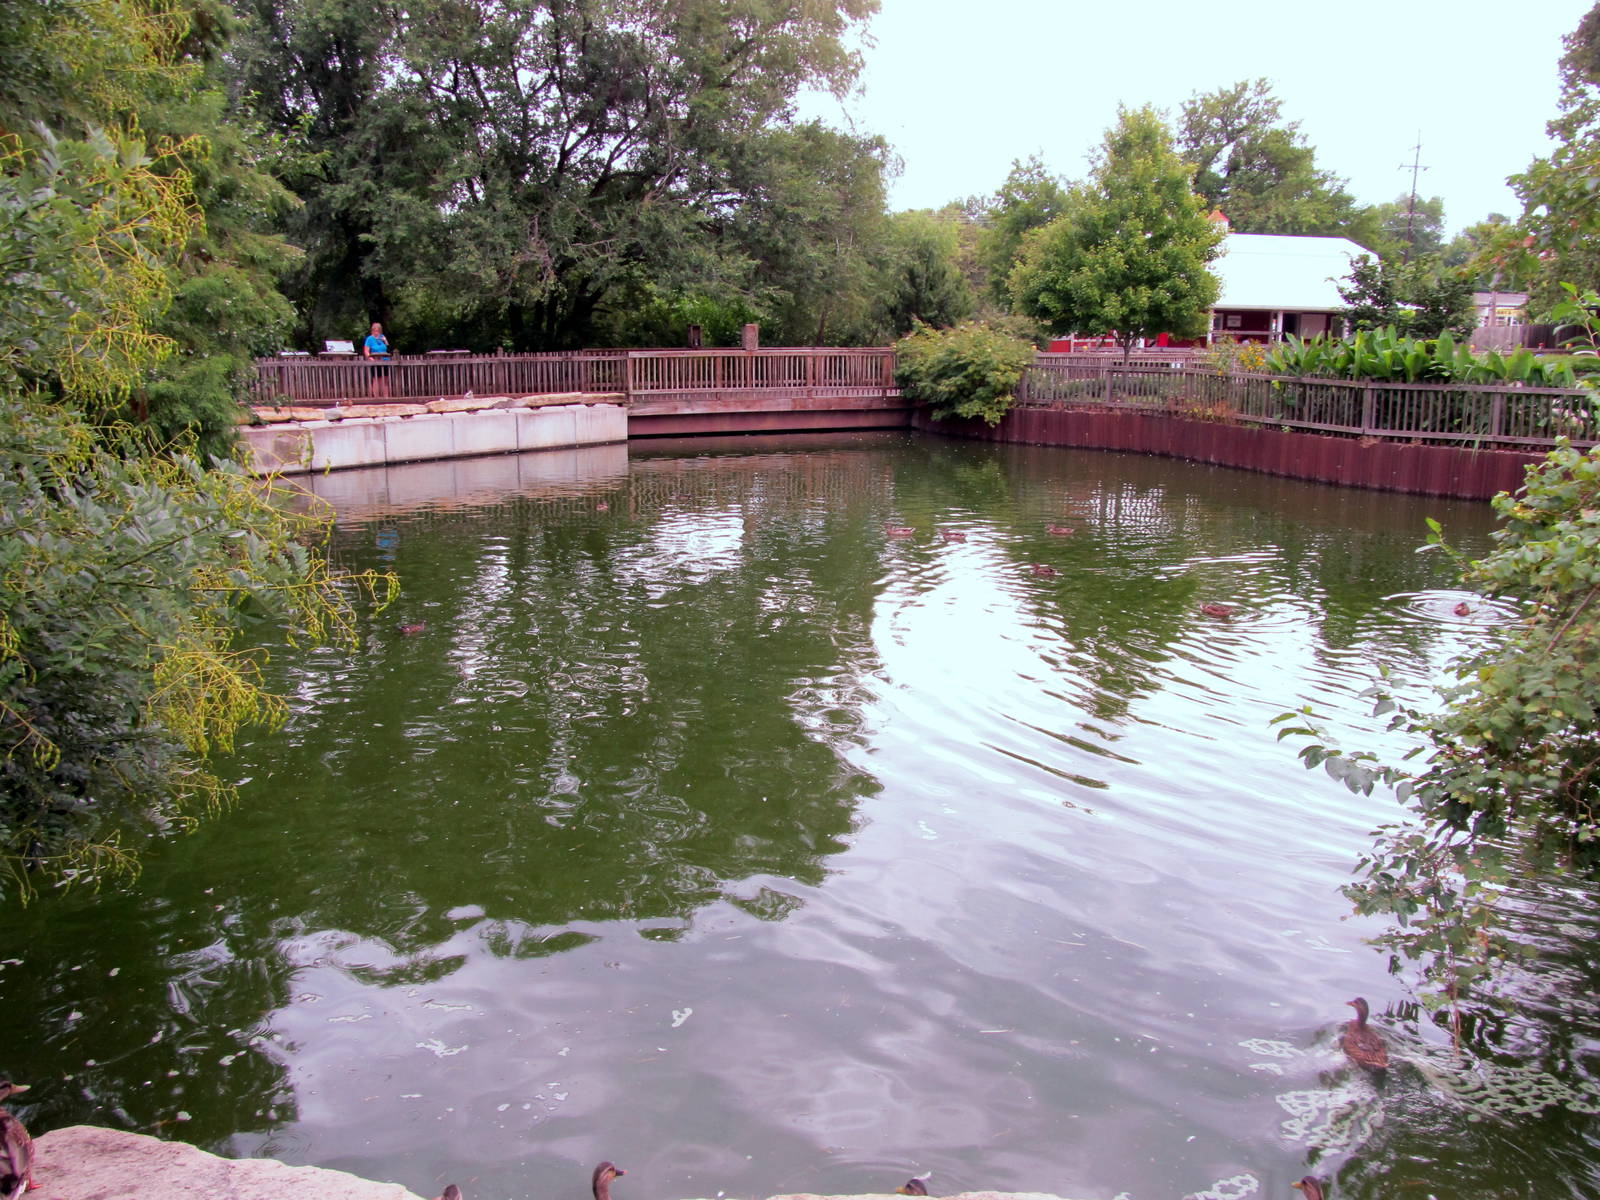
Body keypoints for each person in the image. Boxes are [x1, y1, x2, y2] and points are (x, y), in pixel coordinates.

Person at [363, 321, 392, 398]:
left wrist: (385, 341)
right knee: (376, 379)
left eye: (378, 331)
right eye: (375, 330)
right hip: (375, 361)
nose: (376, 332)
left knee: (385, 380)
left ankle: (386, 397)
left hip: (385, 360)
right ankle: (376, 397)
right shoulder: (369, 339)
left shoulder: (382, 337)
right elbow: (366, 351)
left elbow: (388, 348)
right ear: (372, 331)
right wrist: (370, 358)